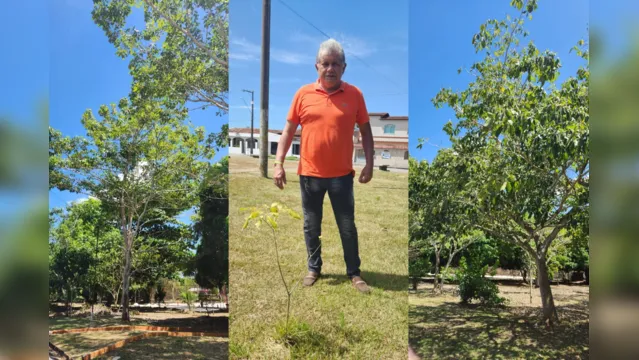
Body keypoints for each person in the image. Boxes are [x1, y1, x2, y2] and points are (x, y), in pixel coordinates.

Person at [272, 38, 374, 293]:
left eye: (335, 64)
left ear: (344, 67)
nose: (330, 68)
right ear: (316, 66)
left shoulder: (355, 95)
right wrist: (278, 162)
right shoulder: (303, 94)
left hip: (341, 176)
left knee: (347, 226)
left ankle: (354, 273)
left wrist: (370, 163)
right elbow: (287, 131)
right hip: (310, 176)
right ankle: (314, 268)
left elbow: (366, 131)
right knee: (311, 225)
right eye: (325, 63)